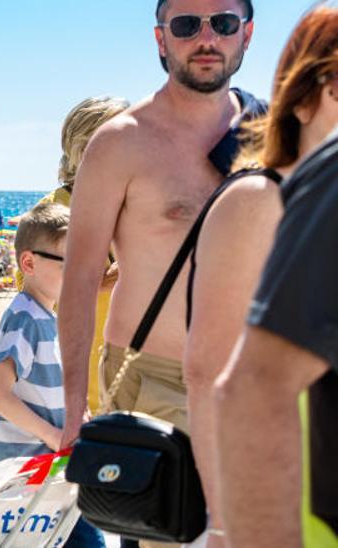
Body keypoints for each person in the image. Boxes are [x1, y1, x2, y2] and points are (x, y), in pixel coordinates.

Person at [59, 0, 262, 459]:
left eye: (224, 24)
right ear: (161, 39)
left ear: (246, 34)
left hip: (255, 379)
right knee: (165, 530)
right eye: (187, 25)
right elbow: (80, 278)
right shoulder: (120, 143)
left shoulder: (272, 134)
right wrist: (73, 406)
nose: (206, 39)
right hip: (155, 379)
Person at [187, 5, 338, 543]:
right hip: (284, 486)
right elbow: (211, 374)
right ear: (298, 95)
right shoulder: (258, 198)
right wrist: (223, 519)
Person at [0, 202, 103, 547]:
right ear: (29, 263)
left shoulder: (47, 317)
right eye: (69, 262)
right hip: (25, 476)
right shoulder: (24, 318)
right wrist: (54, 436)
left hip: (49, 475)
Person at [17, 97, 131, 413]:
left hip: (135, 371)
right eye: (118, 135)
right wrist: (107, 279)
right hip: (75, 380)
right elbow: (32, 295)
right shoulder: (51, 213)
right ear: (85, 146)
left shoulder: (137, 203)